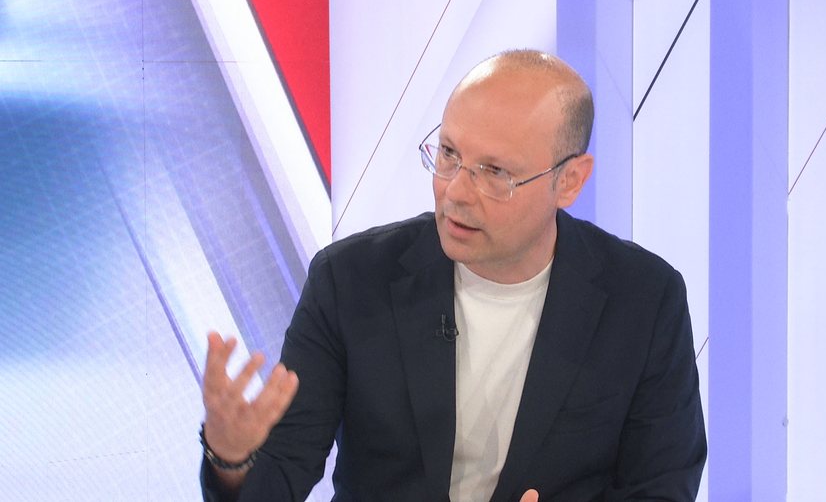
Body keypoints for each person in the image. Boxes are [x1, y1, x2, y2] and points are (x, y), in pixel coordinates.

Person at [200, 49, 706, 501]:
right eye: (449, 154)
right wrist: (231, 459)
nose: (456, 192)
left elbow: (661, 487)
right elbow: (281, 472)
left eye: (495, 172)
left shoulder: (643, 300)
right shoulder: (350, 279)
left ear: (569, 181)